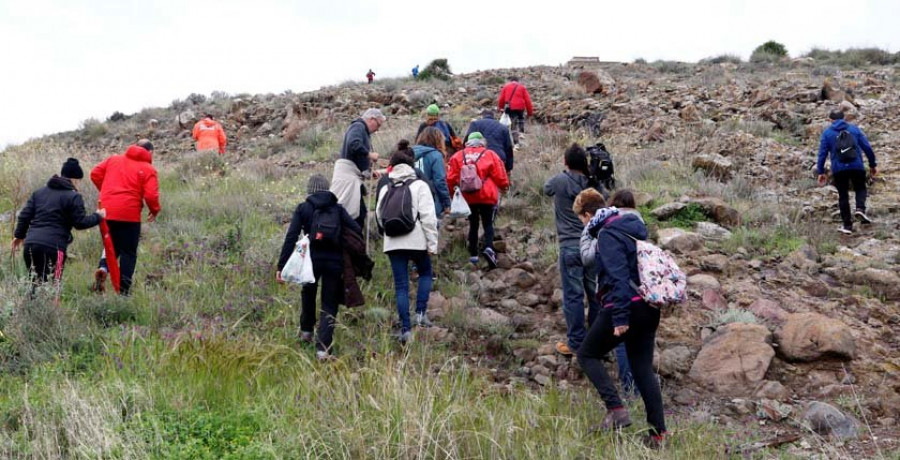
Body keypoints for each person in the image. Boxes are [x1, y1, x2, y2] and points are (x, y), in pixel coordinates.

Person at [578, 206, 667, 448]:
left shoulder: (607, 234)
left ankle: (616, 410)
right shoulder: (634, 231)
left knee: (587, 354)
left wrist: (620, 318)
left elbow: (618, 276)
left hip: (625, 305)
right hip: (648, 307)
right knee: (642, 370)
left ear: (594, 221)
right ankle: (658, 434)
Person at [277, 174, 362, 360]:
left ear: (309, 191)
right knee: (329, 303)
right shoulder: (338, 209)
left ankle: (306, 332)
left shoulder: (303, 208)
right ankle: (323, 349)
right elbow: (356, 230)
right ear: (327, 188)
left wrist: (281, 266)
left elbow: (291, 236)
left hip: (310, 262)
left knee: (308, 293)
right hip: (334, 262)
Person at [376, 143, 439, 343]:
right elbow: (429, 217)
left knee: (401, 285)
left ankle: (405, 329)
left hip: (393, 241)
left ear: (393, 166)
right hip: (416, 239)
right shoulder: (419, 185)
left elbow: (379, 216)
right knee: (425, 272)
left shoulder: (386, 187)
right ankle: (420, 313)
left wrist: (387, 235)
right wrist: (432, 244)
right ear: (411, 165)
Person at [578, 188, 638, 397]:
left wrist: (588, 232)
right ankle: (640, 399)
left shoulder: (607, 231)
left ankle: (622, 400)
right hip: (641, 295)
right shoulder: (637, 225)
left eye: (582, 219)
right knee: (637, 348)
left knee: (595, 351)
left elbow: (588, 258)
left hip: (617, 298)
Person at [12, 158, 105, 290]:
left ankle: (33, 310)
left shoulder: (39, 193)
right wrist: (98, 216)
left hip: (31, 245)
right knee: (53, 287)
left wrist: (19, 236)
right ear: (75, 179)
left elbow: (24, 216)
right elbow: (80, 223)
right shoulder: (73, 196)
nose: (78, 185)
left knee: (35, 286)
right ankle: (52, 310)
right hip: (54, 248)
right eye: (79, 181)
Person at [543, 144, 601, 357]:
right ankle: (597, 342)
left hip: (569, 246)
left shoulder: (560, 181)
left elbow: (546, 188)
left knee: (574, 296)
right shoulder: (592, 184)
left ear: (566, 162)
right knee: (595, 295)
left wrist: (565, 172)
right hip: (593, 246)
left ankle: (576, 343)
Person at [90, 140, 161, 295]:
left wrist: (107, 193)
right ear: (150, 152)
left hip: (106, 212)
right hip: (129, 215)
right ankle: (123, 292)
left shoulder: (113, 159)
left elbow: (94, 173)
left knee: (111, 246)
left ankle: (103, 269)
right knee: (128, 253)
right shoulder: (148, 169)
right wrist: (154, 210)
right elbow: (151, 195)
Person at [446, 132, 509, 268]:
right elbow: (500, 174)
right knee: (487, 223)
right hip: (487, 194)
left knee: (473, 224)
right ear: (482, 141)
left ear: (468, 142)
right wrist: (504, 187)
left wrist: (452, 195)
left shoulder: (458, 156)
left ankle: (473, 255)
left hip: (468, 196)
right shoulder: (490, 154)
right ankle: (489, 248)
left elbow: (450, 179)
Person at [816, 109, 877, 234]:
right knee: (860, 188)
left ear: (831, 120)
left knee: (843, 195)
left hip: (839, 169)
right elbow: (867, 147)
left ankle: (847, 226)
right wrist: (872, 165)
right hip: (857, 166)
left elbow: (822, 154)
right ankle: (860, 208)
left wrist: (820, 172)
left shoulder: (827, 133)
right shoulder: (854, 129)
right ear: (844, 118)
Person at [333, 108, 385, 229]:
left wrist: (369, 171)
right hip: (347, 179)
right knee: (349, 215)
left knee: (359, 214)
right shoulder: (358, 126)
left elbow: (357, 155)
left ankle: (353, 243)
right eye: (378, 125)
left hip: (350, 178)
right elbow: (353, 144)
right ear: (372, 119)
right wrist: (370, 154)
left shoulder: (362, 129)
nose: (378, 129)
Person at [413, 127, 452, 218]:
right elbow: (440, 181)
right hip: (429, 200)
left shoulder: (408, 152)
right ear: (438, 140)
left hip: (408, 199)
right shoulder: (436, 156)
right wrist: (447, 203)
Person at [497, 76, 534, 145]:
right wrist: (530, 112)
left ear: (510, 81)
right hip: (521, 107)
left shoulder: (506, 87)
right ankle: (521, 132)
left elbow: (501, 99)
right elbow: (528, 100)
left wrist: (500, 108)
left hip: (511, 107)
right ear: (518, 81)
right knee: (521, 118)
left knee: (513, 124)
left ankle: (516, 143)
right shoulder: (522, 87)